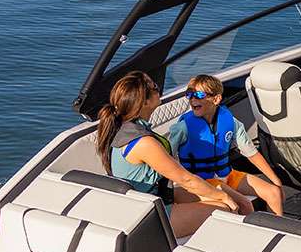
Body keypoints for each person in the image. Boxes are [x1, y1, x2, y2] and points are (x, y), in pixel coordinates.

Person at [93, 70, 241, 237]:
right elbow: (186, 180)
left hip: (152, 198)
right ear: (144, 102)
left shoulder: (125, 129)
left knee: (220, 194)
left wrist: (220, 194)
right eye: (155, 87)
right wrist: (222, 197)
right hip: (147, 215)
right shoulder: (143, 142)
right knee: (224, 209)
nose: (159, 89)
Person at [168, 74, 288, 217]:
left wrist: (276, 181)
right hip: (203, 181)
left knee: (274, 193)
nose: (193, 99)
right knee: (244, 204)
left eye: (199, 95)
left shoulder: (231, 122)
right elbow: (166, 157)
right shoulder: (183, 127)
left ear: (216, 99)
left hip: (227, 175)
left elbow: (251, 153)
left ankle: (278, 228)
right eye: (189, 94)